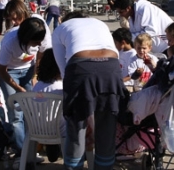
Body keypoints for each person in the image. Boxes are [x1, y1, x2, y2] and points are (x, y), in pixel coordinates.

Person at [52, 11, 128, 170]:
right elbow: (114, 56)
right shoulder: (99, 23)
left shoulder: (60, 28)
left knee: (77, 127)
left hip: (81, 67)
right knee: (107, 126)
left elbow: (64, 70)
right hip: (111, 67)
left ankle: (74, 165)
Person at [0, 17, 51, 160]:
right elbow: (2, 70)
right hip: (9, 72)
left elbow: (41, 54)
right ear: (26, 38)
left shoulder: (41, 35)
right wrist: (17, 87)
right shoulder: (10, 42)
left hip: (28, 69)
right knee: (16, 113)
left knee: (31, 112)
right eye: (35, 42)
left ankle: (32, 150)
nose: (39, 44)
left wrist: (35, 73)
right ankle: (22, 152)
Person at [32, 48, 64, 163]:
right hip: (59, 129)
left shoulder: (37, 86)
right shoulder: (62, 87)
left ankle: (52, 147)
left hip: (37, 129)